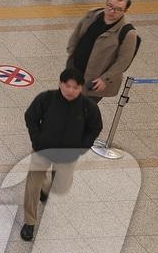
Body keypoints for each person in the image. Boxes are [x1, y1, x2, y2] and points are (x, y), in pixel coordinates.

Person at [19, 68, 103, 241]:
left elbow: (95, 127)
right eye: (67, 86)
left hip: (68, 155)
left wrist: (82, 147)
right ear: (60, 84)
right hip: (43, 151)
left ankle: (45, 187)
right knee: (32, 187)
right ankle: (29, 222)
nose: (71, 90)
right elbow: (30, 117)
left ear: (81, 88)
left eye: (75, 87)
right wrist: (37, 140)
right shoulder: (46, 99)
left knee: (61, 187)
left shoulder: (88, 107)